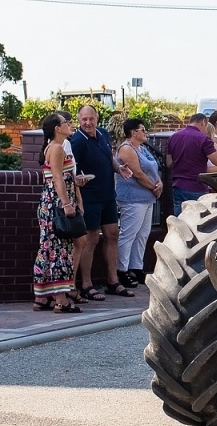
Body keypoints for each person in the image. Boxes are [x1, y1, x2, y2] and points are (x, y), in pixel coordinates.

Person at [68, 105, 130, 299]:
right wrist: (78, 180)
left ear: (97, 118)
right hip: (89, 196)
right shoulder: (76, 141)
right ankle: (86, 284)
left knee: (113, 234)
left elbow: (109, 157)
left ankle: (113, 280)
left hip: (107, 194)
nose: (87, 122)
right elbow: (71, 169)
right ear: (79, 120)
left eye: (90, 118)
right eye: (84, 119)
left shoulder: (103, 134)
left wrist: (119, 168)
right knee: (91, 237)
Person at [34, 111, 82, 312]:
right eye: (65, 123)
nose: (69, 125)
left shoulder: (52, 147)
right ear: (57, 128)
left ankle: (43, 297)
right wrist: (67, 204)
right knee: (59, 250)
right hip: (56, 204)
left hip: (50, 203)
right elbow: (57, 177)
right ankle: (61, 299)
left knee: (49, 247)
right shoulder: (56, 148)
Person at [115, 118, 161, 289]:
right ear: (133, 132)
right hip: (133, 198)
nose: (145, 132)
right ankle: (122, 270)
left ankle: (136, 266)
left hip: (147, 198)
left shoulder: (143, 148)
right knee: (129, 233)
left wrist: (159, 184)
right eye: (142, 129)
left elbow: (153, 168)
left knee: (142, 234)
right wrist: (154, 188)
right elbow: (138, 174)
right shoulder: (126, 149)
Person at [166, 111, 217, 213]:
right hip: (196, 186)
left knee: (179, 222)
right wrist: (216, 147)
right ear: (203, 122)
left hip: (177, 186)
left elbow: (169, 163)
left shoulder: (173, 137)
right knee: (197, 222)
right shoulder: (204, 139)